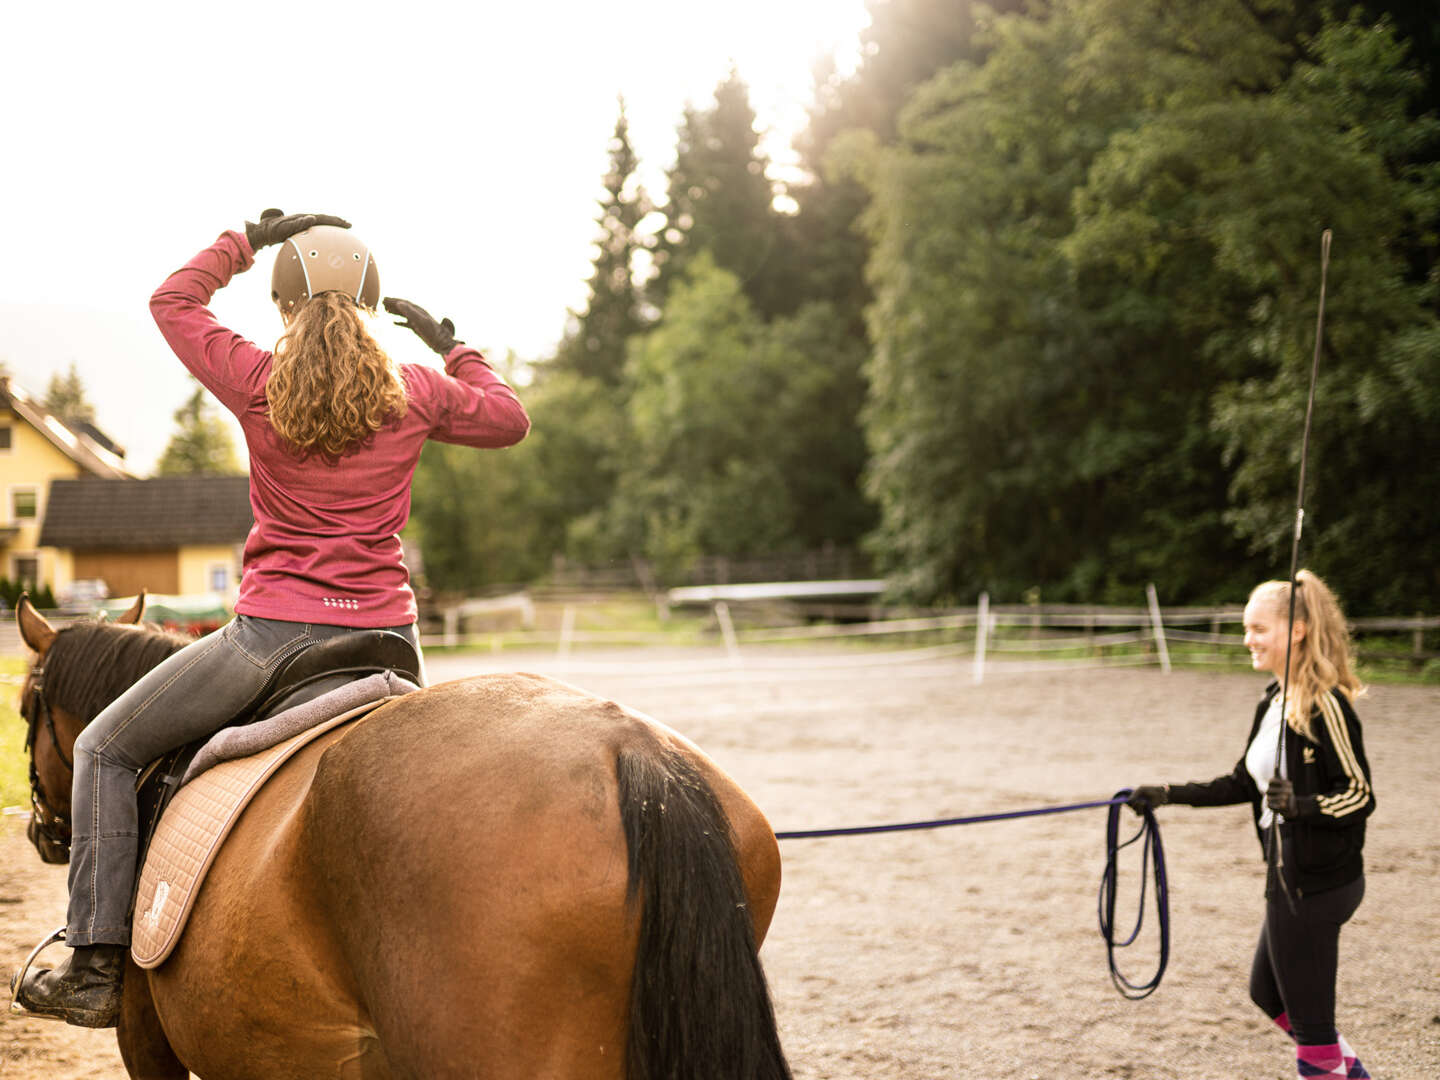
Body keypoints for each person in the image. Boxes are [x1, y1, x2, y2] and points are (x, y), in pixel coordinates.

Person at [14, 210, 529, 1026]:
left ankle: (95, 965)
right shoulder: (420, 390)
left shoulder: (257, 380)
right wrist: (453, 346)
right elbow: (509, 420)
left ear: (286, 307)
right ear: (370, 303)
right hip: (389, 644)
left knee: (107, 750)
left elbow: (172, 303)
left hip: (272, 642)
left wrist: (244, 242)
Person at [1128, 569, 1374, 1079]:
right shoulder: (1273, 699)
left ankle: (1334, 1068)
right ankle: (1350, 1074)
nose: (1248, 640)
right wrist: (1168, 795)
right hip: (1286, 877)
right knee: (1266, 993)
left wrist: (1303, 805)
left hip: (1317, 883)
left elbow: (1358, 793)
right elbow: (1243, 781)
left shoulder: (1324, 704)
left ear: (1298, 630)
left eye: (1259, 628)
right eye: (1246, 628)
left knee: (1311, 1030)